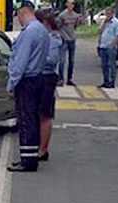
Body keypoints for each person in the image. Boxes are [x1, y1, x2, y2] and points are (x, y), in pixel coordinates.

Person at [7, 1, 49, 173]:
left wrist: (11, 83)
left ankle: (28, 161)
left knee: (26, 121)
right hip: (38, 78)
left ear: (23, 12)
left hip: (27, 81)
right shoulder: (42, 30)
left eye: (18, 16)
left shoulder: (29, 32)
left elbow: (20, 61)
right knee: (32, 119)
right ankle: (29, 157)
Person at [35, 8, 62, 162]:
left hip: (46, 77)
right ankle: (38, 147)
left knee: (44, 114)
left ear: (44, 22)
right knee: (37, 113)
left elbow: (51, 60)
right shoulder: (44, 35)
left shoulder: (52, 37)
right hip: (40, 76)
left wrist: (32, 59)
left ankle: (42, 150)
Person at [56, 0, 84, 86]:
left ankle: (70, 79)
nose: (71, 5)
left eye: (73, 4)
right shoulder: (62, 15)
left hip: (72, 39)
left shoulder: (75, 15)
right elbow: (58, 26)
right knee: (62, 61)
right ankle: (61, 78)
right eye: (69, 3)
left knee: (71, 61)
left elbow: (75, 26)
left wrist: (80, 21)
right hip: (64, 39)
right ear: (66, 4)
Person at [97, 6, 118, 89]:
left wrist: (112, 45)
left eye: (109, 13)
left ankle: (112, 81)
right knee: (104, 65)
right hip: (103, 45)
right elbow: (99, 32)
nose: (107, 15)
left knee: (111, 65)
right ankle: (105, 81)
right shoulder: (104, 22)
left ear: (112, 13)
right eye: (106, 13)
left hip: (111, 47)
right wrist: (103, 23)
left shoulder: (116, 23)